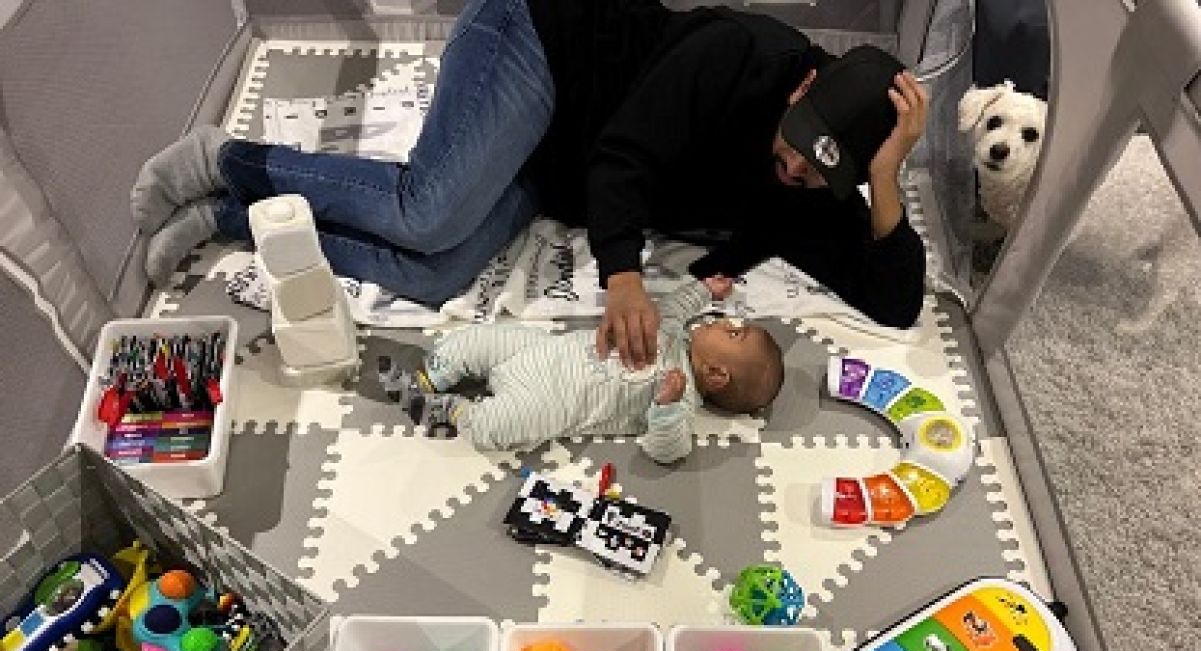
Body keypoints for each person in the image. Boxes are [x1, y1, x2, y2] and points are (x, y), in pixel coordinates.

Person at [131, 0, 927, 369]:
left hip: (554, 165)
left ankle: (232, 217)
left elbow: (895, 301)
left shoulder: (811, 189)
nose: (793, 170)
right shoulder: (738, 51)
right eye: (795, 146)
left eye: (818, 173)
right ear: (802, 87)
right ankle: (223, 161)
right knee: (429, 211)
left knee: (436, 273)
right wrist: (622, 276)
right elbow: (623, 156)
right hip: (541, 43)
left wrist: (884, 179)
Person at [380, 275, 780, 464]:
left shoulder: (682, 395)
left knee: (496, 428)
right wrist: (704, 290)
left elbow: (669, 449)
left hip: (552, 402)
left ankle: (449, 412)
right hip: (543, 351)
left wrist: (667, 406)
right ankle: (432, 375)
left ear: (716, 375)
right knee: (481, 339)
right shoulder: (674, 332)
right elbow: (675, 307)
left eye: (735, 334)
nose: (728, 322)